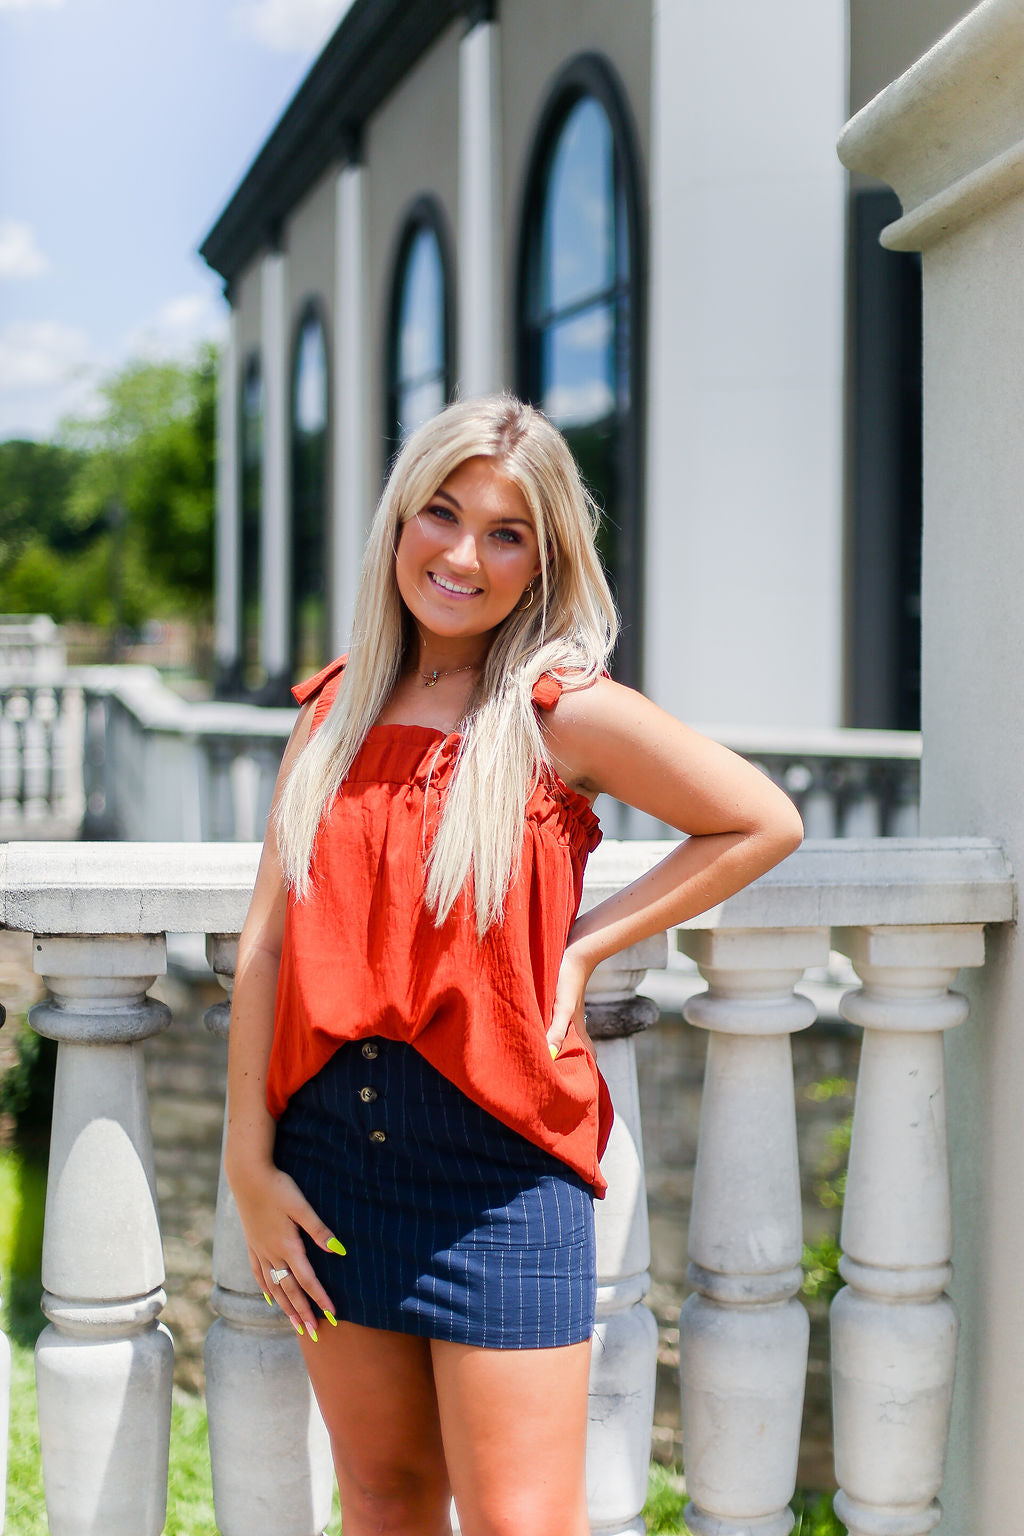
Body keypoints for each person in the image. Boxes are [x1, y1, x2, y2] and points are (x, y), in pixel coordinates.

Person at [225, 394, 803, 1536]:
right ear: (398, 522)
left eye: (505, 532)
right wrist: (249, 1161)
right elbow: (269, 943)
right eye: (440, 514)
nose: (461, 554)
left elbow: (759, 820)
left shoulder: (558, 710)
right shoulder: (334, 709)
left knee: (519, 1523)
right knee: (383, 1500)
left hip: (500, 1172)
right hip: (329, 1159)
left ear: (544, 560)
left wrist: (589, 944)